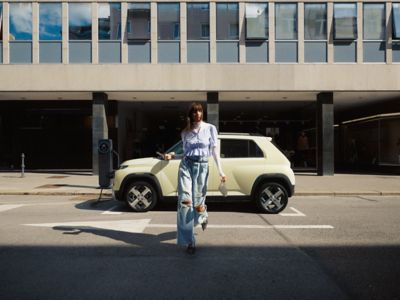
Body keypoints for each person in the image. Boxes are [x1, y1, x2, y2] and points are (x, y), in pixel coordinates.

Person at [164, 102, 226, 254]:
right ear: (190, 114)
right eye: (194, 112)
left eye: (200, 111)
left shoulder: (210, 128)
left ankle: (203, 215)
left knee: (198, 202)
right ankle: (190, 241)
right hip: (186, 166)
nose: (197, 114)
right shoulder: (185, 132)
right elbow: (185, 154)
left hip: (202, 167)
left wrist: (221, 171)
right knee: (185, 201)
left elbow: (214, 152)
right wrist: (172, 156)